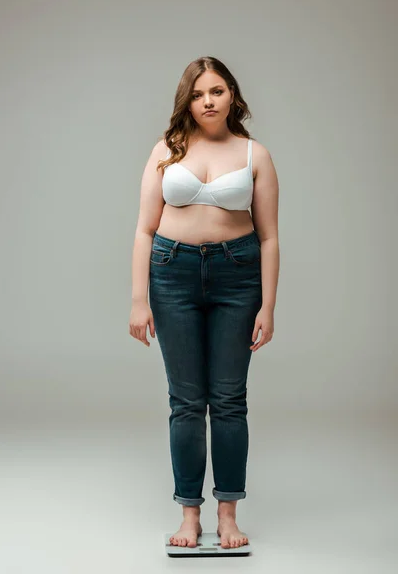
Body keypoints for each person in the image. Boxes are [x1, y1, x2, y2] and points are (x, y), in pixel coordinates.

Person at [129, 56, 280, 550]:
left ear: (232, 94)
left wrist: (268, 306)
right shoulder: (166, 149)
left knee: (230, 400)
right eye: (197, 94)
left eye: (216, 91)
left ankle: (230, 515)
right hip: (171, 275)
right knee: (186, 402)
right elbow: (144, 229)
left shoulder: (255, 154)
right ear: (186, 101)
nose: (207, 101)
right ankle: (190, 516)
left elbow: (270, 237)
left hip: (238, 278)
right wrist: (139, 300)